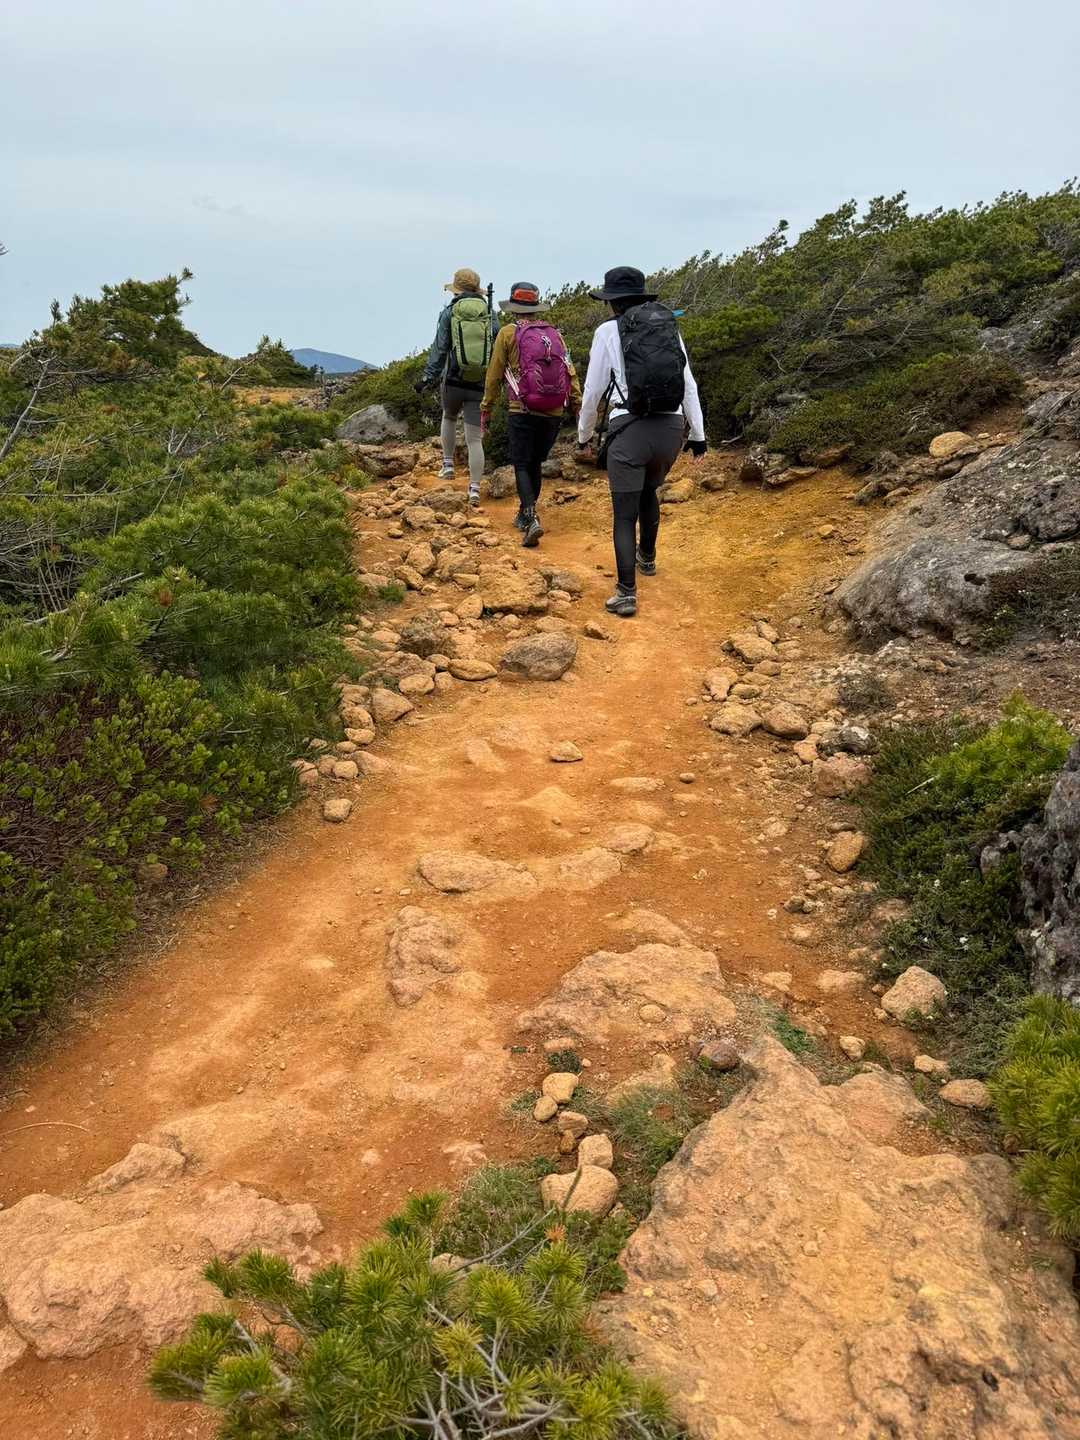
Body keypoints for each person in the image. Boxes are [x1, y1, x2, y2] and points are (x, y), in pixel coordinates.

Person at [577, 266, 706, 617]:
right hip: (670, 429)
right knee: (650, 491)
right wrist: (698, 435)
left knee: (624, 514)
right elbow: (689, 384)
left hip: (629, 429)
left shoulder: (607, 331)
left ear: (612, 302)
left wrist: (584, 436)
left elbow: (592, 390)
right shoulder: (667, 325)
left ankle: (626, 593)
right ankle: (647, 558)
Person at [480, 282, 581, 547]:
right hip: (554, 410)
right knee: (535, 462)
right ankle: (526, 513)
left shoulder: (507, 334)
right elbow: (569, 369)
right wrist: (577, 403)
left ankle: (530, 515)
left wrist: (486, 407)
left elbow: (494, 375)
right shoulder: (555, 334)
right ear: (536, 308)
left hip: (522, 409)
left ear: (513, 308)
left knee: (522, 463)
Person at [415, 267, 498, 505]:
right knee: (474, 439)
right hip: (479, 382)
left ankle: (448, 465)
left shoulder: (450, 312)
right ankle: (474, 489)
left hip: (452, 380)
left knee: (449, 416)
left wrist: (427, 378)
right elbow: (496, 347)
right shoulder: (489, 312)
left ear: (456, 289)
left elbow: (439, 349)